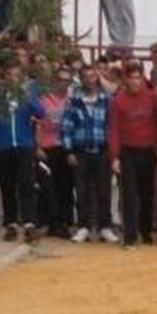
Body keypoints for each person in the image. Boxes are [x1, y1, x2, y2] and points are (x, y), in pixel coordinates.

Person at [0, 60, 44, 243]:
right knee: (7, 185)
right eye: (10, 75)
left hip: (24, 145)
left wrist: (28, 97)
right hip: (3, 146)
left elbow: (41, 112)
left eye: (17, 76)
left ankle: (29, 224)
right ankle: (10, 223)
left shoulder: (28, 94)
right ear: (4, 78)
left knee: (27, 184)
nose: (13, 79)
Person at [109, 62, 157, 248]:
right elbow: (114, 130)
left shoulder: (152, 98)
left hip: (147, 150)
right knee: (129, 195)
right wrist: (115, 157)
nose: (135, 82)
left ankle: (146, 232)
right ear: (126, 79)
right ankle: (130, 236)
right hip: (128, 152)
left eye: (138, 78)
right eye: (132, 78)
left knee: (147, 194)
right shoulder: (118, 101)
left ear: (142, 79)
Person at [62, 64, 119, 244]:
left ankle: (105, 227)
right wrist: (69, 151)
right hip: (81, 152)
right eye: (86, 76)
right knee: (81, 191)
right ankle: (83, 227)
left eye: (93, 76)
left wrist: (113, 151)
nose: (90, 80)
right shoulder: (74, 101)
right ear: (81, 79)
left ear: (97, 78)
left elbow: (113, 127)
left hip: (102, 151)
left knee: (104, 191)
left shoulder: (107, 100)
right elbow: (67, 127)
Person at [34, 66, 74, 238]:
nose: (63, 83)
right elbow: (35, 124)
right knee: (48, 187)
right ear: (54, 81)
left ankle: (65, 223)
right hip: (47, 148)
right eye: (61, 80)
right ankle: (50, 222)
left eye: (67, 80)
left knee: (66, 187)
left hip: (66, 148)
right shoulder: (43, 101)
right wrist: (37, 147)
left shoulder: (72, 101)